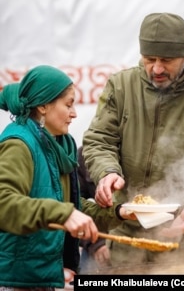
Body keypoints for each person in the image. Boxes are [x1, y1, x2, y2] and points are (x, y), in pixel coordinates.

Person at [82, 12, 184, 267]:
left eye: (166, 60)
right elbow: (100, 139)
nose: (156, 68)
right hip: (125, 241)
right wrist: (107, 171)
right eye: (149, 58)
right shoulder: (121, 87)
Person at [0, 65, 136, 290]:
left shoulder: (56, 146)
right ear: (43, 106)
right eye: (68, 104)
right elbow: (4, 204)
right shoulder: (18, 145)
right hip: (14, 280)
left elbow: (72, 208)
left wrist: (119, 212)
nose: (74, 113)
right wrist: (63, 213)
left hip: (43, 277)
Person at [77, 146, 110, 273]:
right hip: (95, 246)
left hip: (144, 245)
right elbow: (74, 206)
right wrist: (96, 244)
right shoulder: (83, 155)